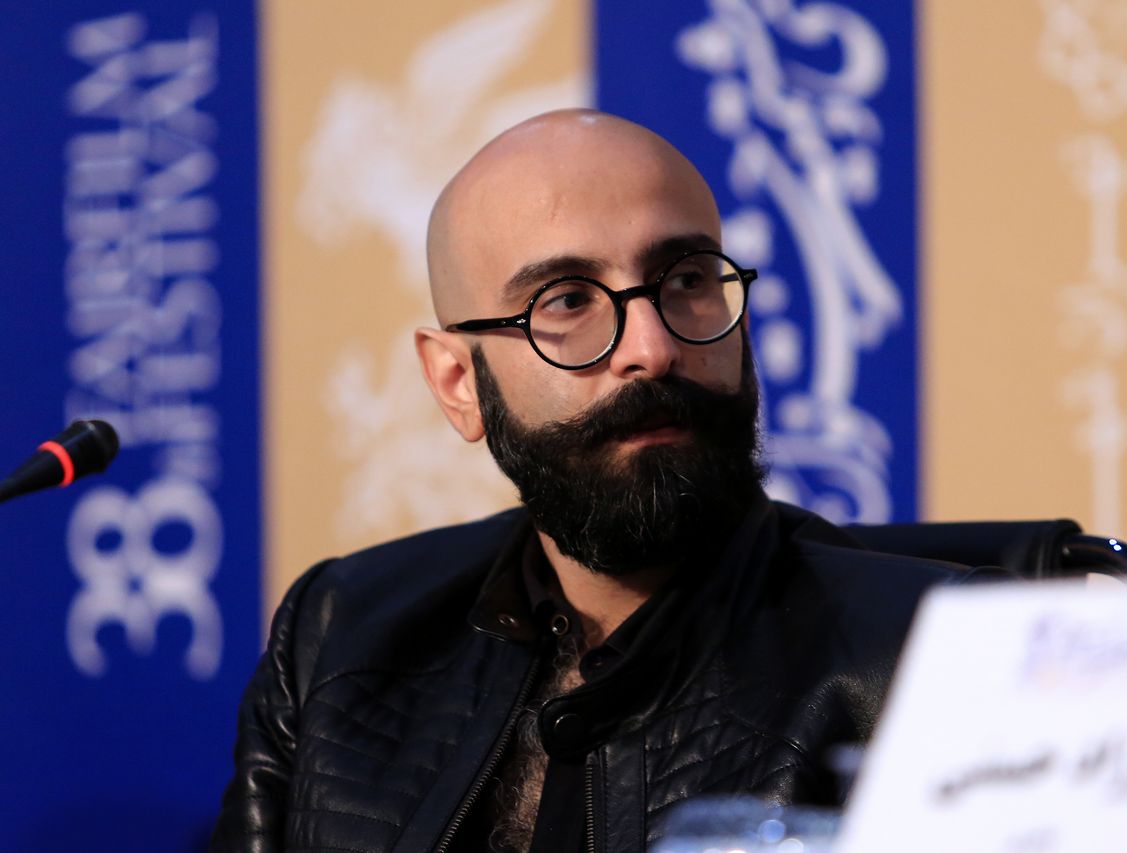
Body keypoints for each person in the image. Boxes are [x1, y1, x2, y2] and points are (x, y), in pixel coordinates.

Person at [211, 109, 986, 853]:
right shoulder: (337, 634)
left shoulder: (940, 661)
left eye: (687, 279)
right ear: (458, 381)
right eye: (568, 300)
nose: (651, 347)